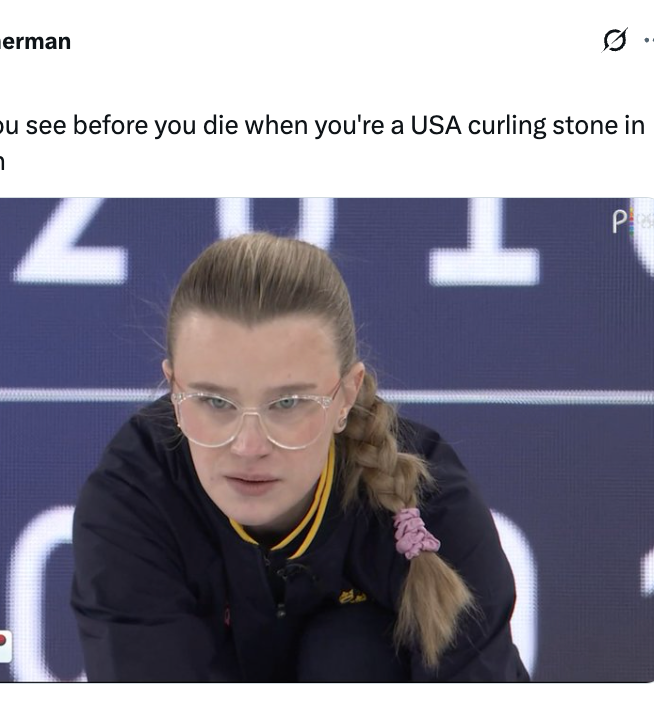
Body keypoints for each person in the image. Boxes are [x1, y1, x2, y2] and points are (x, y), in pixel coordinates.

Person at [71, 233, 530, 681]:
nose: (248, 446)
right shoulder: (133, 497)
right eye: (214, 401)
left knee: (350, 654)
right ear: (174, 389)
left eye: (287, 403)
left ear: (346, 395)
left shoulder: (427, 506)